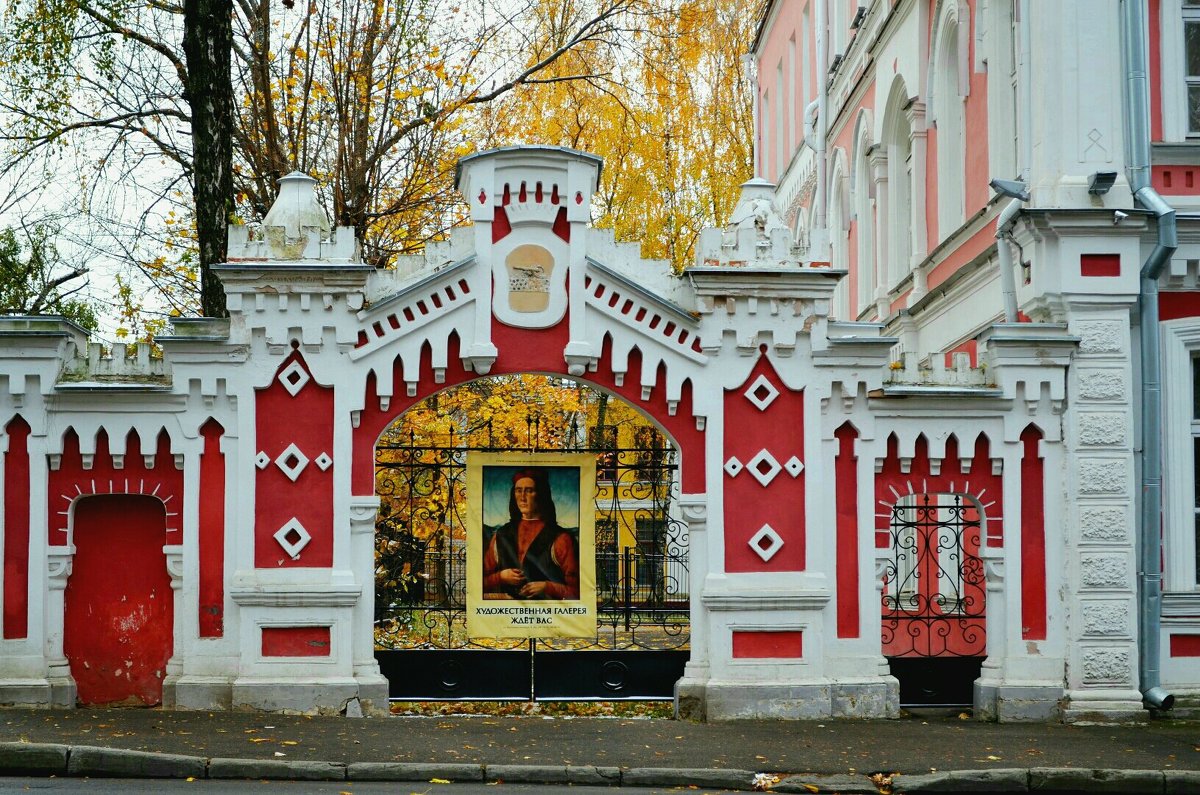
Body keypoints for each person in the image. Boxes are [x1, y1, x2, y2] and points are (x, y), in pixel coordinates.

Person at [482, 468, 579, 600]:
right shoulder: (501, 535)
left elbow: (576, 592)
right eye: (518, 491)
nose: (522, 497)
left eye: (529, 491)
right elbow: (479, 583)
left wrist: (547, 586)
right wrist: (500, 577)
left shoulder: (561, 538)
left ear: (541, 495)